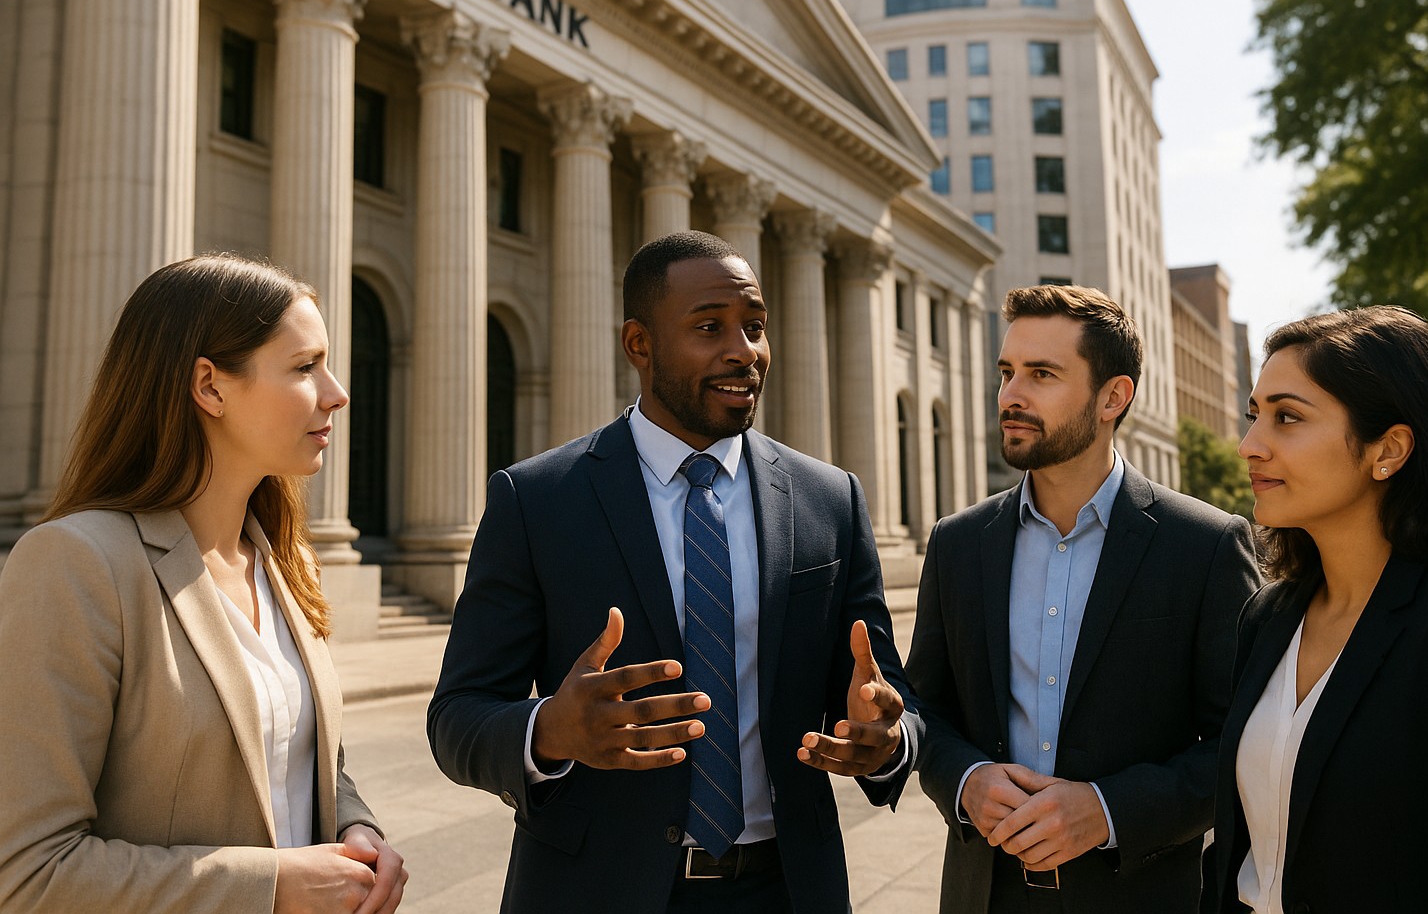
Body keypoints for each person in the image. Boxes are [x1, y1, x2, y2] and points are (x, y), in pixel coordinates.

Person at [428, 231, 919, 914]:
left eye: (754, 327)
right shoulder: (538, 501)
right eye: (710, 327)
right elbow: (458, 718)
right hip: (597, 892)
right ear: (640, 344)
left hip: (787, 891)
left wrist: (886, 737)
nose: (744, 351)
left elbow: (886, 694)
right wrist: (551, 730)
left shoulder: (829, 499)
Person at [0, 254, 406, 914]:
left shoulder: (283, 562)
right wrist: (271, 887)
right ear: (210, 387)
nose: (337, 392)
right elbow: (27, 872)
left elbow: (301, 759)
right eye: (305, 366)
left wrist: (354, 829)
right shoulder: (76, 565)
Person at [906, 284, 1260, 912]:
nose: (1011, 394)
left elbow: (1243, 742)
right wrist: (965, 780)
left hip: (1141, 896)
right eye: (1007, 372)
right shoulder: (958, 544)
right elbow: (925, 709)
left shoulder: (1204, 546)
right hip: (983, 896)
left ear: (1112, 397)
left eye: (1042, 374)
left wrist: (1107, 811)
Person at [1203, 306, 1428, 914]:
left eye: (1287, 418)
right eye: (1255, 417)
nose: (1250, 445)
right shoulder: (1267, 618)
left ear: (1389, 448)